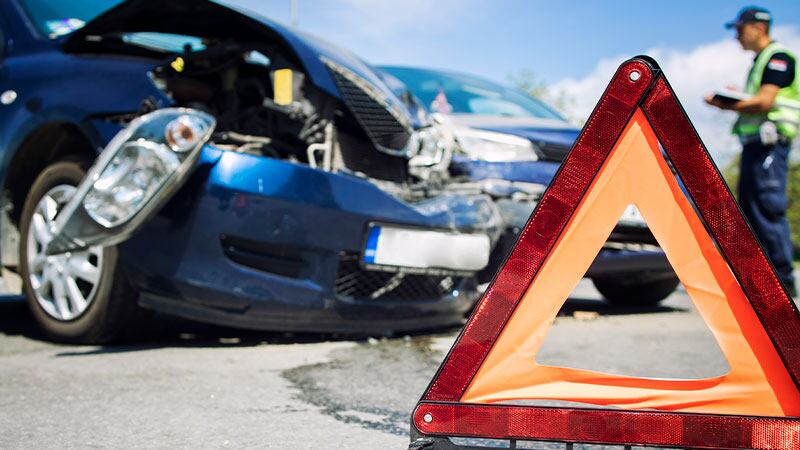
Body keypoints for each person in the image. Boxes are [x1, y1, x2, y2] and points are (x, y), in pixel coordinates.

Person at [706, 6, 799, 298]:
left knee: (767, 209)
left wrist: (728, 104)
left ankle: (782, 282)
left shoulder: (778, 58)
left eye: (739, 29)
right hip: (755, 146)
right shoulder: (761, 61)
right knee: (750, 209)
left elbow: (765, 102)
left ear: (758, 27)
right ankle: (760, 280)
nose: (736, 37)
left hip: (769, 145)